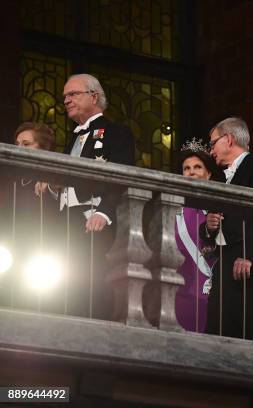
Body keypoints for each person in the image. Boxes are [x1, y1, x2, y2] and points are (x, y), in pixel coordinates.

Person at [60, 73, 135, 319]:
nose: (67, 100)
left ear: (94, 96)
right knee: (64, 284)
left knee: (91, 284)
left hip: (94, 219)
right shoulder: (71, 136)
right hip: (65, 220)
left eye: (73, 94)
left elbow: (122, 176)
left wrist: (104, 211)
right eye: (65, 96)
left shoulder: (117, 133)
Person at [200, 117, 253, 342]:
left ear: (228, 139)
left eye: (213, 143)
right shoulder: (222, 178)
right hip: (225, 265)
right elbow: (214, 224)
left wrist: (249, 255)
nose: (211, 150)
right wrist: (209, 226)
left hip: (251, 267)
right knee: (218, 336)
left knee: (250, 333)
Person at [0, 123, 61, 311]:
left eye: (26, 144)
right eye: (17, 144)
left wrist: (51, 183)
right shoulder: (7, 178)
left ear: (43, 149)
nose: (19, 149)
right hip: (7, 253)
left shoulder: (55, 178)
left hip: (40, 256)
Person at [175, 138, 224, 332]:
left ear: (208, 173)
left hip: (212, 291)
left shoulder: (219, 207)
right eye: (186, 168)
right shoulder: (174, 207)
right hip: (181, 288)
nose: (191, 172)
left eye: (197, 167)